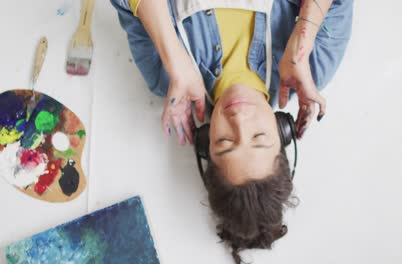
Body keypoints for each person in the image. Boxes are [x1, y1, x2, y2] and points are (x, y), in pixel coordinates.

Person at [110, 0, 352, 262]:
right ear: (282, 129)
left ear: (206, 142)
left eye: (225, 142)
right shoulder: (314, 63)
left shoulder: (166, 78)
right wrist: (304, 36)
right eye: (259, 137)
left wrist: (173, 56)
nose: (239, 120)